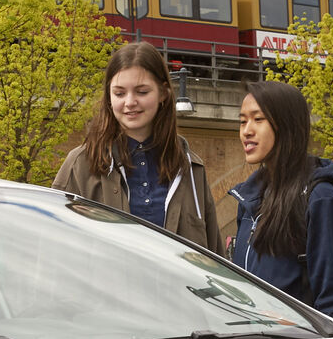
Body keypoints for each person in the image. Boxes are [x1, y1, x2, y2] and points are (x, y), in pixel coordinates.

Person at [52, 42, 221, 252]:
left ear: (163, 94)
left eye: (141, 92)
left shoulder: (191, 168)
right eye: (120, 93)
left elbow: (214, 256)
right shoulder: (80, 165)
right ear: (109, 97)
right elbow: (53, 246)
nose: (130, 102)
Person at [227, 80, 333, 322]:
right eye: (243, 121)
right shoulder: (249, 199)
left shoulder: (319, 197)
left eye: (258, 119)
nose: (246, 130)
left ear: (286, 125)